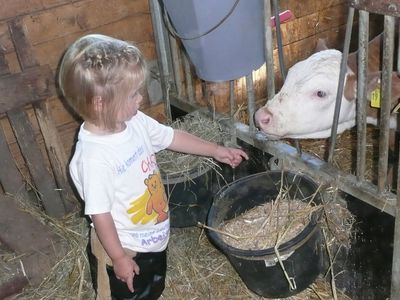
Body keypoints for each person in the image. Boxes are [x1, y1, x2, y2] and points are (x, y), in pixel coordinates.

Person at [58, 34, 248, 300]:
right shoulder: (95, 157)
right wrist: (119, 257)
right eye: (133, 94)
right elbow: (101, 215)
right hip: (124, 248)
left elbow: (172, 137)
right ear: (101, 103)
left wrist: (216, 150)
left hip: (153, 238)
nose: (141, 98)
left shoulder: (134, 122)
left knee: (151, 290)